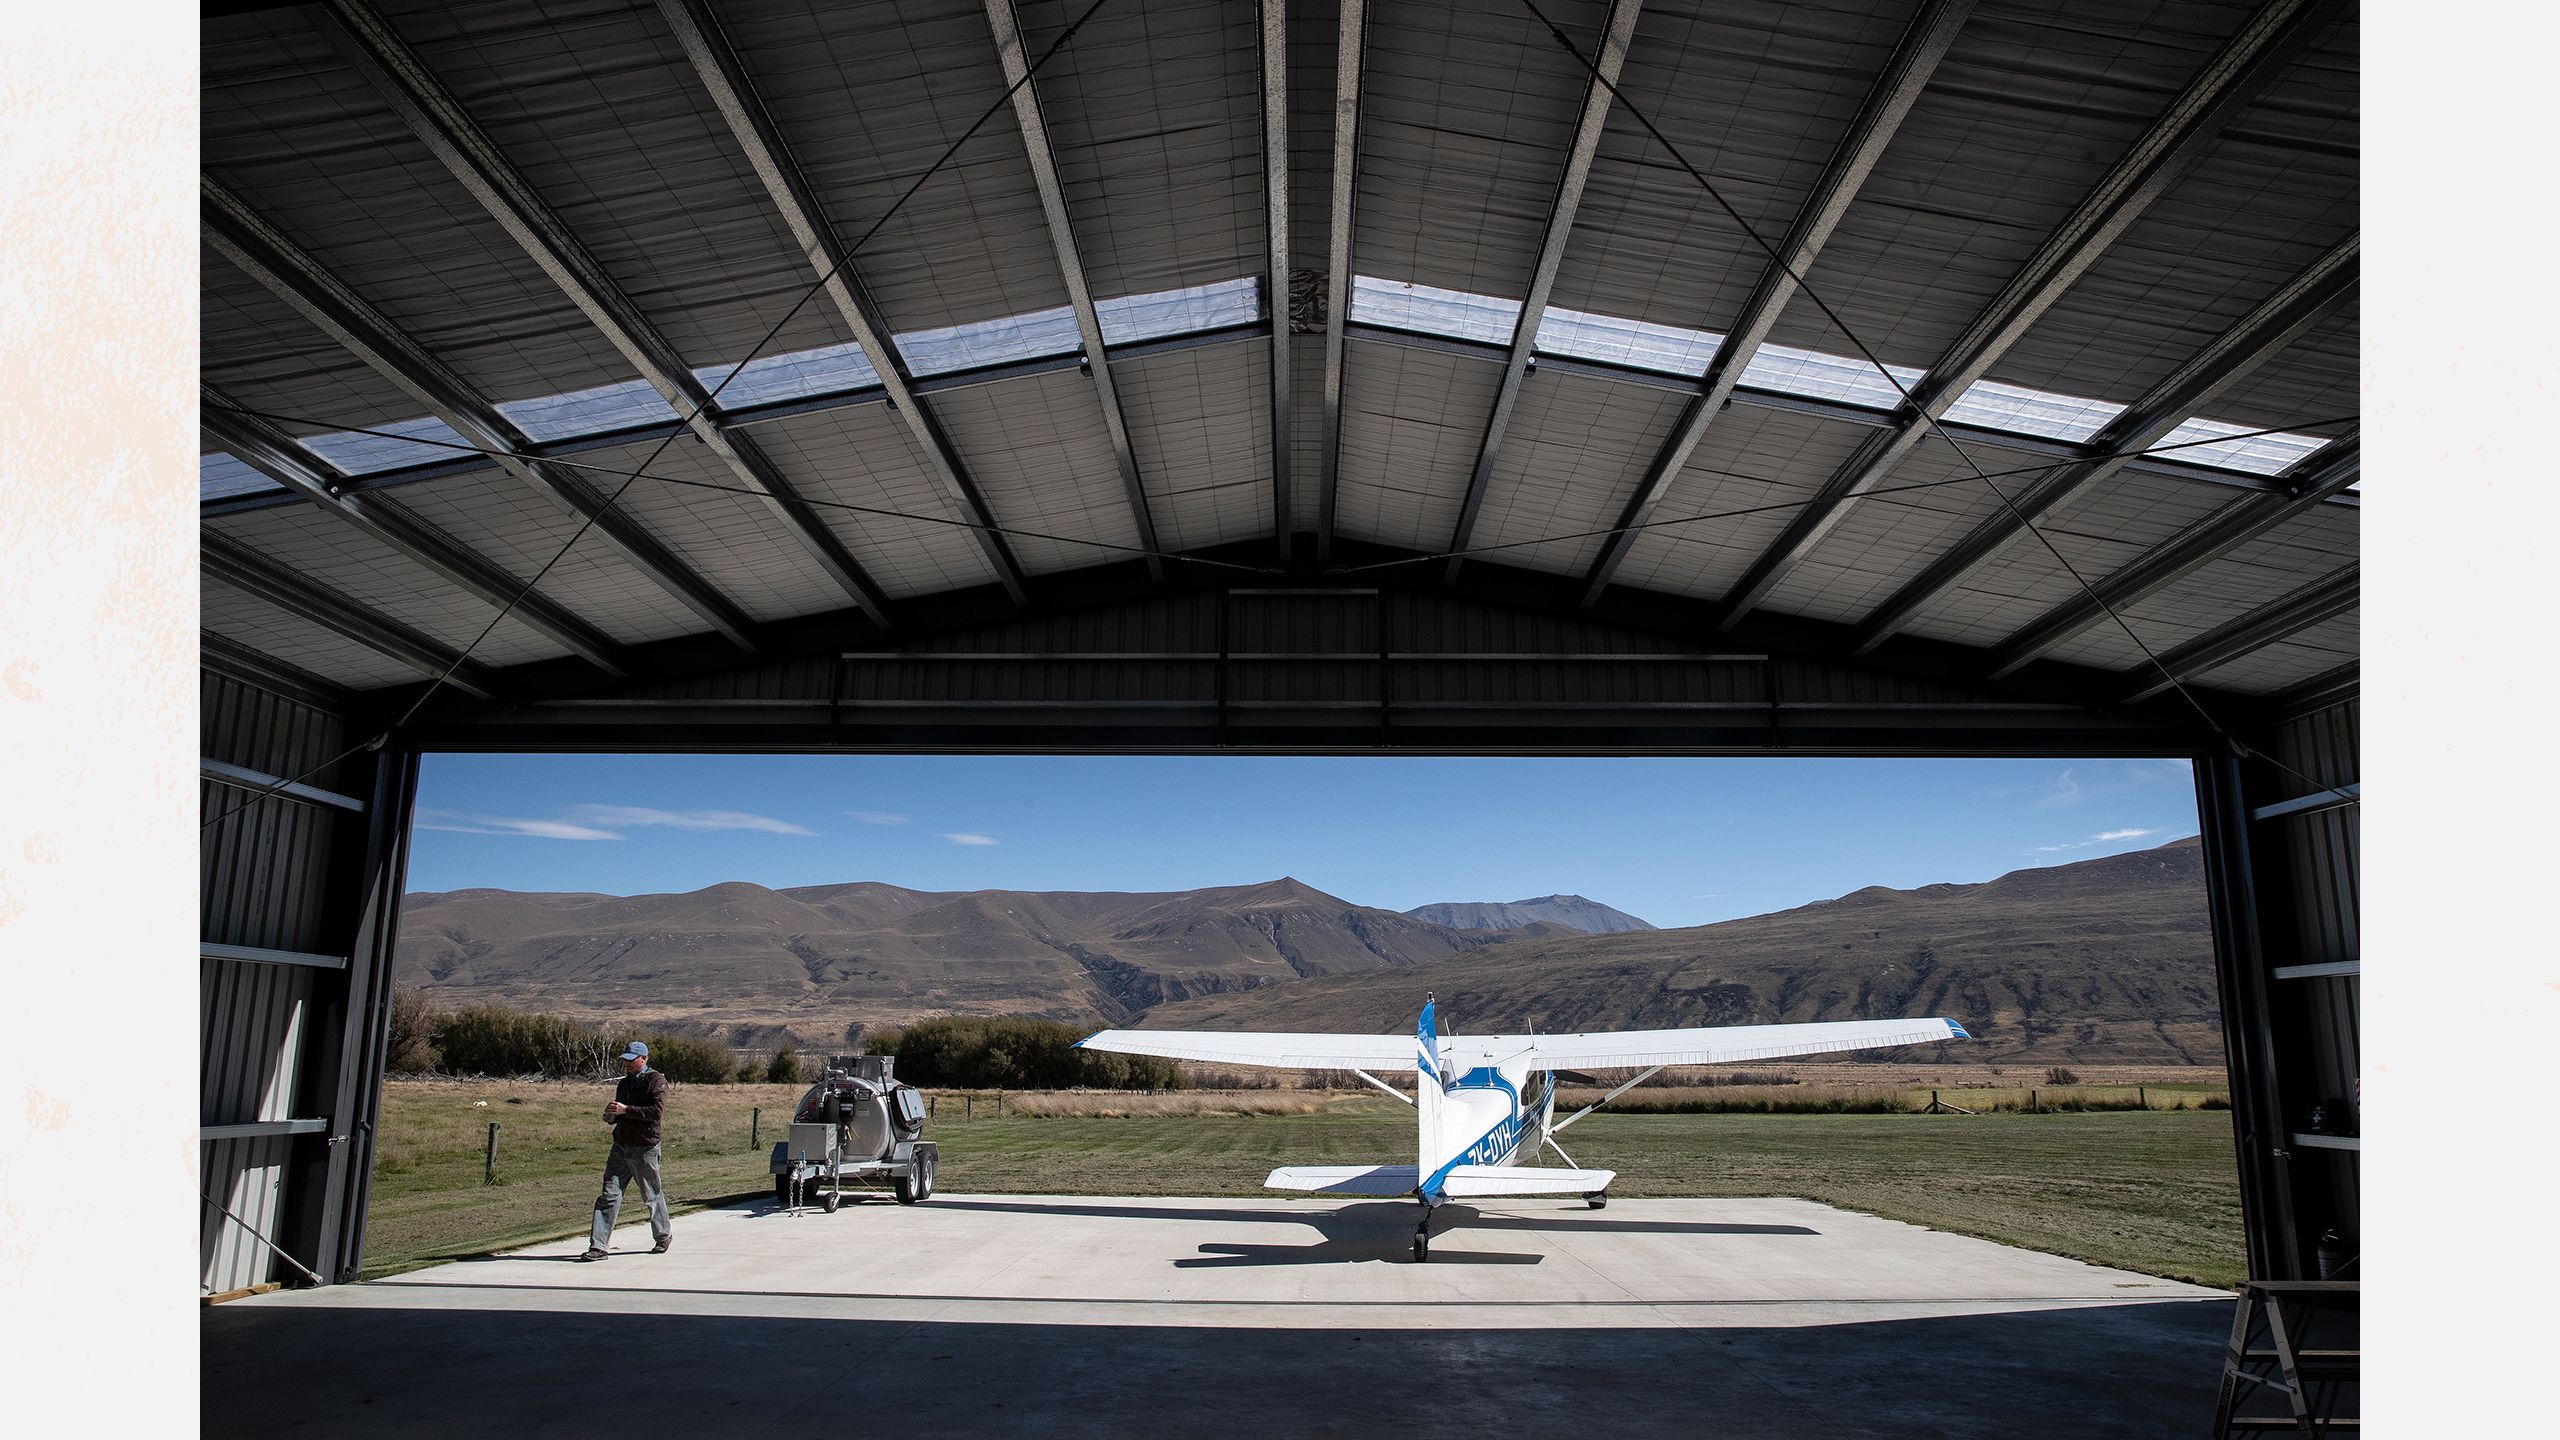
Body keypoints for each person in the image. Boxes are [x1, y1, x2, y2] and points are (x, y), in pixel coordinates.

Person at [578, 1041, 671, 1260]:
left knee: (651, 1194)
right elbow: (620, 1113)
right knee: (609, 1195)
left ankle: (663, 1235)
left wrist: (626, 1110)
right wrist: (612, 1115)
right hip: (621, 1146)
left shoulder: (656, 1081)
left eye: (631, 1060)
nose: (627, 1064)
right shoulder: (624, 1084)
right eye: (625, 1060)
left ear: (644, 1059)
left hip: (645, 1147)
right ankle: (598, 1246)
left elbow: (655, 1112)